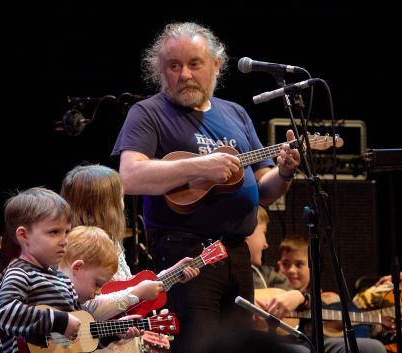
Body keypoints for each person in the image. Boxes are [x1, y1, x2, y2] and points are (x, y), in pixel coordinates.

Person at [111, 21, 300, 353]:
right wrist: (201, 165)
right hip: (186, 256)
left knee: (239, 346)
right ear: (161, 71)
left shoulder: (236, 113)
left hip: (238, 254)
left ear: (215, 65)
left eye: (194, 63)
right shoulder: (149, 113)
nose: (184, 74)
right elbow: (129, 176)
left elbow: (263, 188)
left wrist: (283, 172)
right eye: (174, 65)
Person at [60, 163, 199, 353]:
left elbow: (125, 287)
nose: (123, 205)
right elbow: (87, 308)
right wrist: (137, 293)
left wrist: (170, 275)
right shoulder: (77, 248)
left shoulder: (111, 242)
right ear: (103, 206)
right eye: (120, 198)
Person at [0, 187, 141, 353]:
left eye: (66, 232)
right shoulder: (19, 273)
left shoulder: (62, 280)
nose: (64, 241)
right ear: (24, 236)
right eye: (54, 232)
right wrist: (59, 321)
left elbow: (76, 338)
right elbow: (5, 313)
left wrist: (114, 332)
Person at [261, 234, 387, 353]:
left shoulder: (328, 299)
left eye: (299, 264)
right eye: (285, 264)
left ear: (313, 267)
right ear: (278, 264)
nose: (291, 270)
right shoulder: (269, 287)